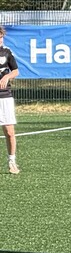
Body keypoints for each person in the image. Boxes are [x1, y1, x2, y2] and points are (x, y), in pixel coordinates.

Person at [0, 26, 18, 175]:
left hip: (5, 96)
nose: (0, 40)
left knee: (10, 132)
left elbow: (16, 71)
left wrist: (7, 76)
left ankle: (12, 161)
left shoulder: (7, 52)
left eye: (1, 37)